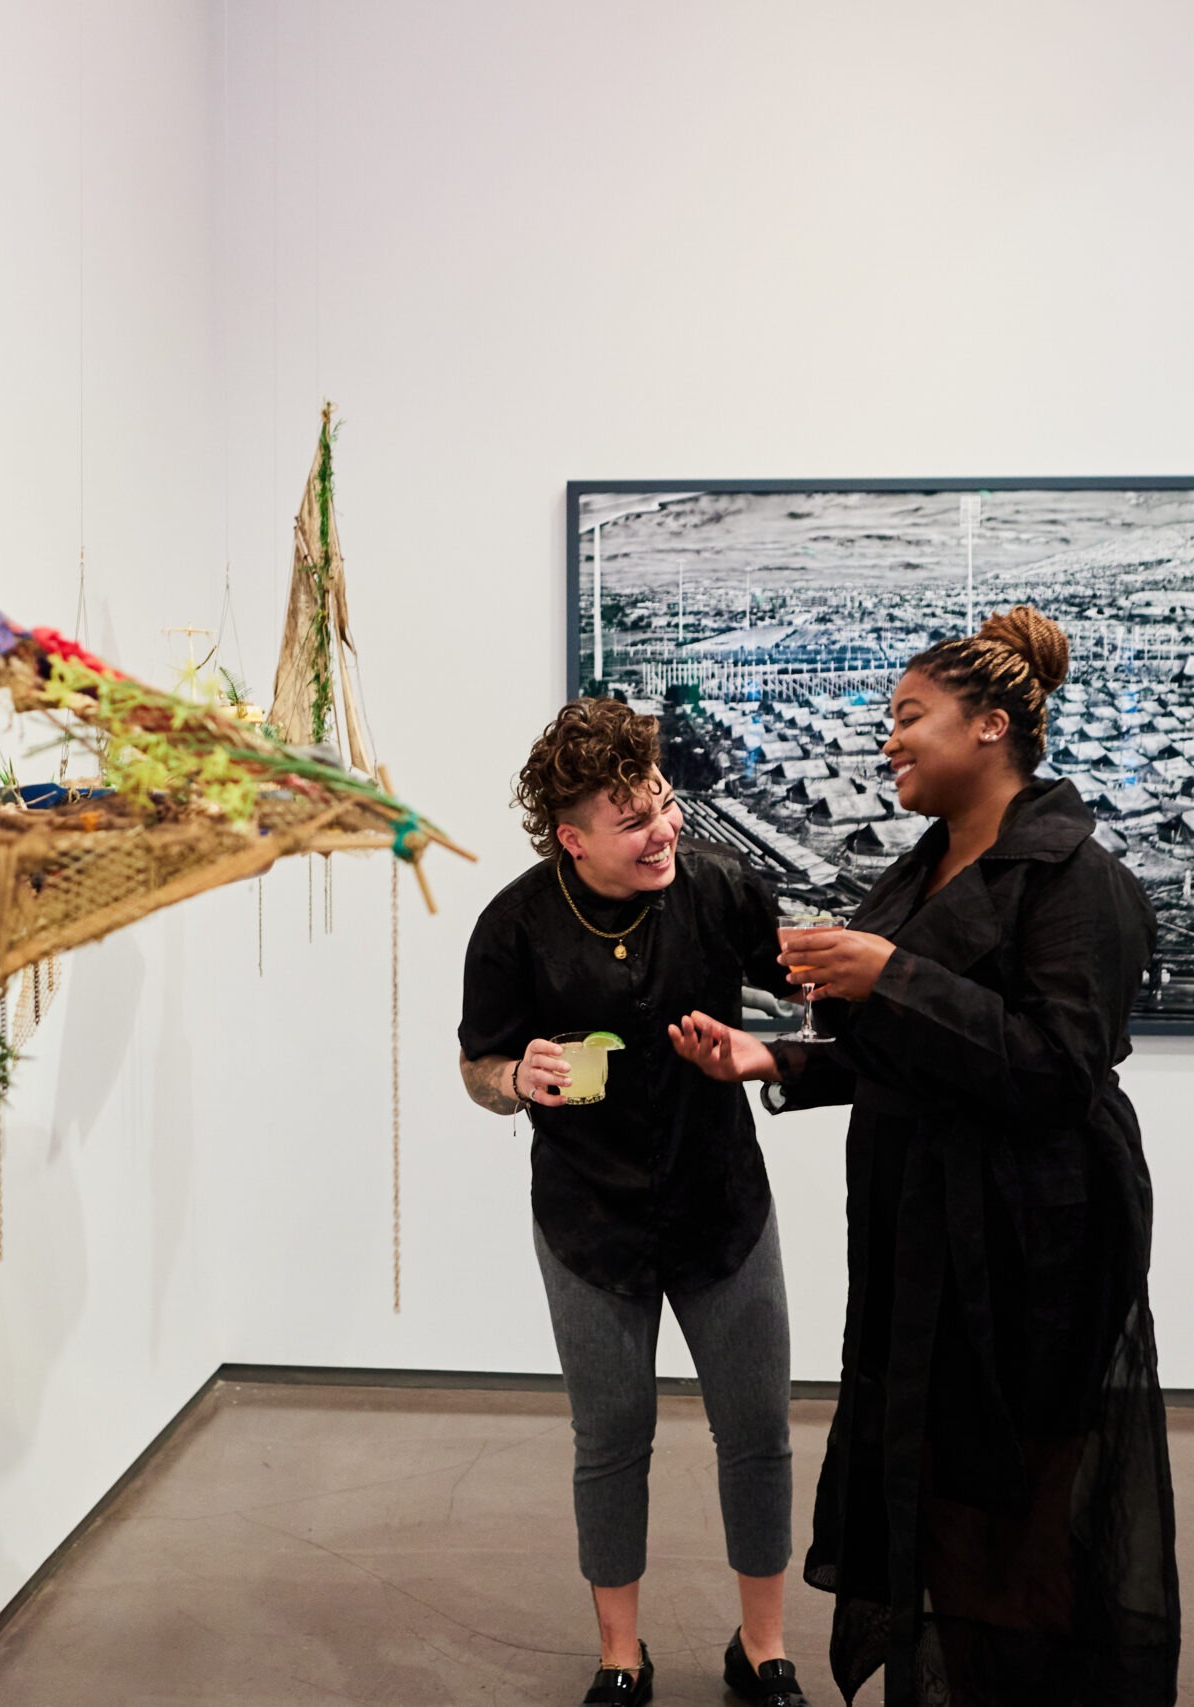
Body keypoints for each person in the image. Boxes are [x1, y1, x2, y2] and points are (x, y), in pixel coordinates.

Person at [669, 608, 1182, 1706]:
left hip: (1034, 1243)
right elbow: (908, 1050)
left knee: (1018, 1502)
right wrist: (777, 1059)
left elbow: (1056, 1064)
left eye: (909, 717)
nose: (885, 739)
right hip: (922, 1239)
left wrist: (888, 974)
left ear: (991, 727)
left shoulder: (1073, 880)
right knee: (936, 1494)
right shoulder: (928, 867)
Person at [458, 697, 814, 1707]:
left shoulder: (721, 889)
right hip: (587, 1223)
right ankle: (622, 1656)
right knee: (610, 1439)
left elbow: (798, 984)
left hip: (723, 1210)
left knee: (756, 1431)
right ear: (573, 840)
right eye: (630, 817)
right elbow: (477, 1066)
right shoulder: (513, 927)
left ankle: (763, 1649)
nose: (661, 828)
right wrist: (510, 1079)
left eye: (659, 800)